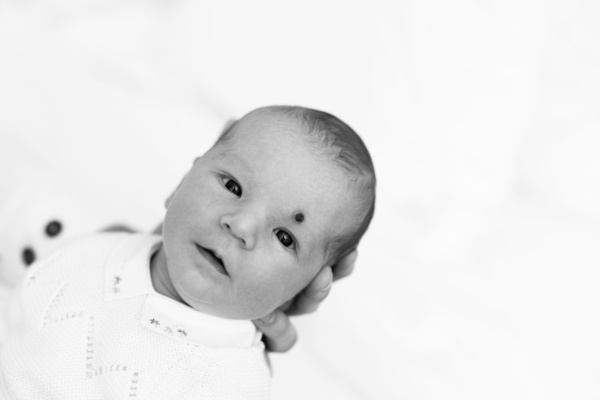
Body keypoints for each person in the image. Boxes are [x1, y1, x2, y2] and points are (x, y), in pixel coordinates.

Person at [0, 106, 376, 399]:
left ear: (302, 289)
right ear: (181, 183)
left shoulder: (228, 385)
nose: (241, 227)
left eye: (284, 236)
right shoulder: (105, 242)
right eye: (232, 185)